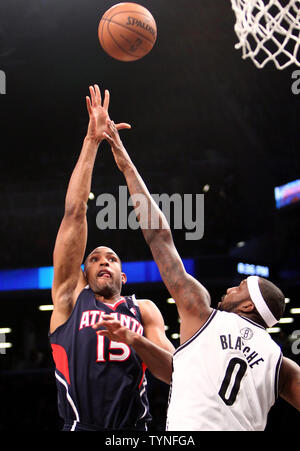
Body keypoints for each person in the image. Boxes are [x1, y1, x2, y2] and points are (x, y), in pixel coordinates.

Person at [94, 119, 300, 431]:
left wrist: (124, 162)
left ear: (248, 306)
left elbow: (159, 237)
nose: (231, 289)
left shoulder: (201, 312)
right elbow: (182, 373)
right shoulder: (282, 364)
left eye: (240, 287)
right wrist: (135, 340)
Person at [49, 85, 174, 432]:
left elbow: (174, 372)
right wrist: (92, 142)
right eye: (95, 259)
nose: (104, 261)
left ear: (124, 277)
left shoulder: (144, 310)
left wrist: (135, 339)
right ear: (83, 274)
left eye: (113, 259)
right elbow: (74, 213)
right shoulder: (69, 301)